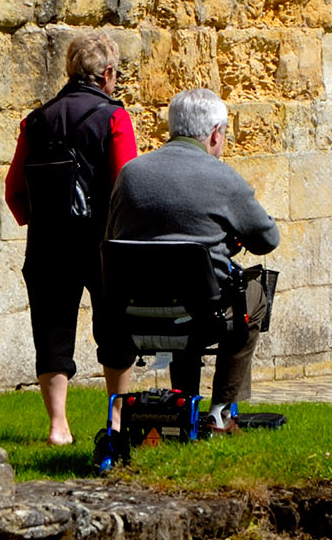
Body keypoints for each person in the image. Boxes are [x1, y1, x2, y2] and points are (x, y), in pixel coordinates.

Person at [103, 87, 280, 430]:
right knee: (254, 292)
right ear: (215, 133)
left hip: (133, 310)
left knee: (187, 294)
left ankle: (183, 396)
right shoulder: (223, 178)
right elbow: (268, 239)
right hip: (203, 313)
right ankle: (221, 408)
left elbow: (111, 237)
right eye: (225, 134)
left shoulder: (130, 174)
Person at [4, 30, 138, 445]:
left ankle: (58, 426)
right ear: (108, 73)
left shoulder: (36, 119)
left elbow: (13, 189)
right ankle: (116, 421)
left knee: (52, 330)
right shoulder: (115, 118)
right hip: (102, 242)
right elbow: (126, 183)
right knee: (115, 329)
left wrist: (38, 220)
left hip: (48, 242)